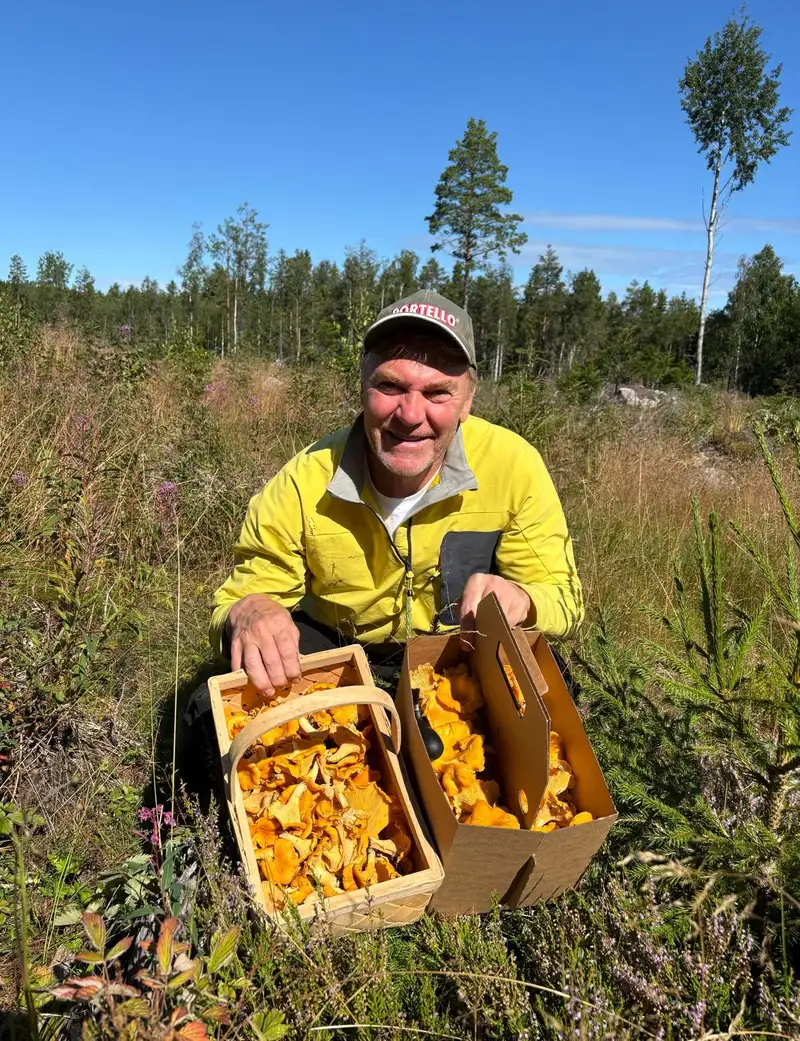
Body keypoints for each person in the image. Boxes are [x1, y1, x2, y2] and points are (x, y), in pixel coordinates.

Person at [209, 289, 583, 694]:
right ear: (363, 386)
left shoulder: (512, 466)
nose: (410, 415)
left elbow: (563, 599)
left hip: (457, 649)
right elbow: (238, 601)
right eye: (390, 386)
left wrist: (523, 600)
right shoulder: (305, 479)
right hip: (337, 650)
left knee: (554, 689)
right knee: (211, 703)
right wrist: (250, 612)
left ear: (467, 401)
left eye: (437, 392)